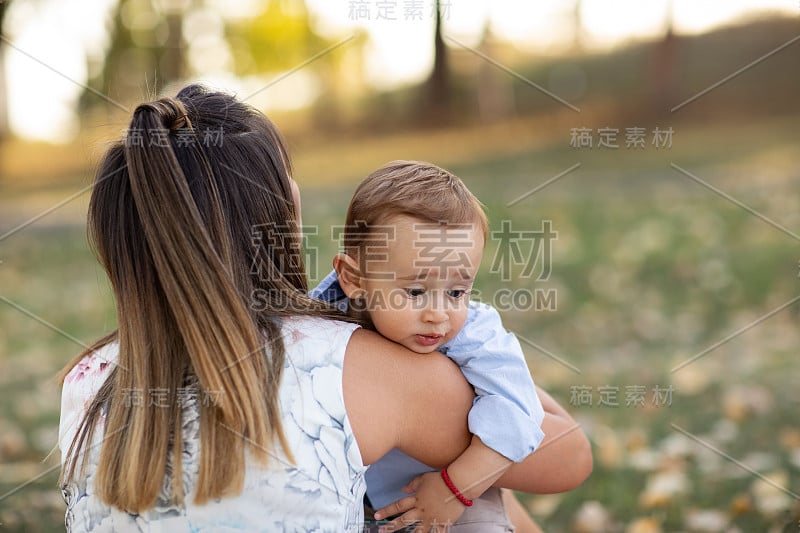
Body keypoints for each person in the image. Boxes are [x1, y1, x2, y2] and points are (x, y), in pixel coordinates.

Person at [57, 85, 592, 532]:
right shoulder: (349, 364)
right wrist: (472, 349)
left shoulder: (84, 383)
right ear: (282, 207)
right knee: (489, 493)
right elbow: (568, 455)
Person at [309, 161, 567, 532]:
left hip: (458, 496)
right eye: (415, 291)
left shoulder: (476, 334)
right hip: (368, 500)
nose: (438, 313)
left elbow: (518, 415)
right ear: (353, 279)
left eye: (457, 291)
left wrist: (455, 488)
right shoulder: (322, 320)